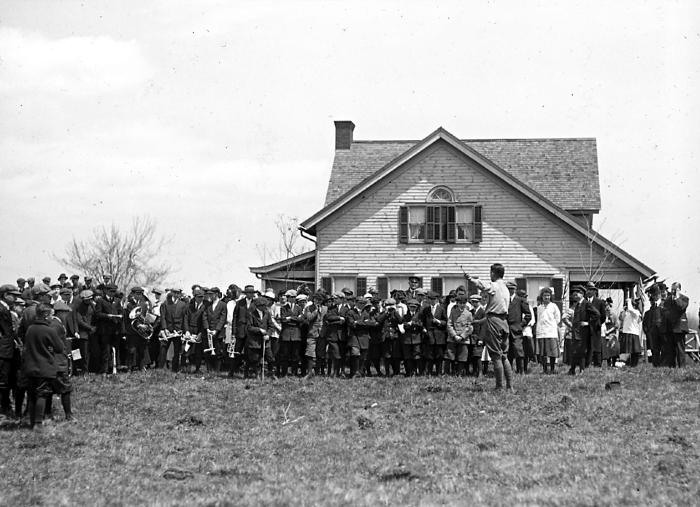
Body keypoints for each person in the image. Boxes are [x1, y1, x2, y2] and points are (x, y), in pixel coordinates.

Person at [464, 264, 512, 390]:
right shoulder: (506, 288)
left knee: (496, 356)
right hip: (504, 321)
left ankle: (499, 387)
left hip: (494, 321)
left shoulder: (494, 286)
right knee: (504, 356)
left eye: (490, 273)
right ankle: (509, 386)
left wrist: (471, 279)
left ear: (493, 273)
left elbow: (482, 285)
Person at [22, 304, 64, 428]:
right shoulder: (49, 330)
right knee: (42, 394)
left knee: (32, 394)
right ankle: (38, 423)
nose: (53, 318)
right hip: (44, 366)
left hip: (30, 366)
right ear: (46, 315)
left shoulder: (30, 328)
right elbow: (59, 348)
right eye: (51, 315)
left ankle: (32, 421)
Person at [0, 284, 22, 419]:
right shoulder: (1, 309)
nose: (15, 298)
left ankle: (6, 405)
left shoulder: (5, 308)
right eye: (13, 295)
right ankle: (4, 407)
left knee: (7, 379)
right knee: (2, 380)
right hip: (3, 350)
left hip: (7, 349)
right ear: (5, 295)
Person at [94, 284, 123, 375]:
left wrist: (120, 316)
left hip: (115, 330)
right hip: (105, 330)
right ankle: (105, 370)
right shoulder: (101, 301)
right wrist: (107, 316)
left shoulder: (117, 301)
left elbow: (120, 311)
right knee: (106, 351)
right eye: (111, 291)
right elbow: (98, 314)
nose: (113, 293)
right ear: (106, 291)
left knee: (115, 350)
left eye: (114, 292)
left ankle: (113, 368)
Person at [570, 285, 599, 375]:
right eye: (574, 294)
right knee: (575, 351)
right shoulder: (578, 305)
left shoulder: (587, 304)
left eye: (577, 293)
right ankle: (572, 369)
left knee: (581, 351)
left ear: (582, 294)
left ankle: (581, 370)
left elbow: (597, 314)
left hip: (583, 332)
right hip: (576, 331)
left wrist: (588, 323)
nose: (575, 295)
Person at [159, 288, 189, 372]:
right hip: (167, 331)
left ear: (180, 294)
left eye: (178, 293)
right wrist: (164, 328)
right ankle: (162, 368)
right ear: (172, 293)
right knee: (163, 348)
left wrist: (185, 330)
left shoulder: (183, 305)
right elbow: (163, 317)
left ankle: (174, 369)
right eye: (174, 293)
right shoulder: (165, 304)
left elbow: (184, 318)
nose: (176, 295)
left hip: (178, 331)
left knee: (177, 350)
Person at [245, 297, 275, 378]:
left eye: (265, 305)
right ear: (258, 306)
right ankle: (257, 374)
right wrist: (259, 330)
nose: (265, 307)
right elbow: (249, 327)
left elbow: (271, 326)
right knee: (255, 359)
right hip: (255, 341)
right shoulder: (251, 314)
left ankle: (271, 374)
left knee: (270, 358)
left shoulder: (267, 313)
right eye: (263, 305)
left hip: (265, 340)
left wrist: (268, 334)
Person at [507, 282, 532, 374]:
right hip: (506, 328)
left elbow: (528, 315)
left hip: (516, 329)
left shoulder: (520, 300)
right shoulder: (504, 299)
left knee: (518, 350)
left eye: (512, 289)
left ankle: (521, 370)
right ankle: (508, 371)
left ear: (515, 289)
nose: (510, 291)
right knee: (507, 350)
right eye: (508, 289)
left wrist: (521, 325)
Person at [662, 282, 689, 367]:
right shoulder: (668, 300)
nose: (672, 291)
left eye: (675, 289)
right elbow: (665, 311)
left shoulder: (684, 299)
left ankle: (682, 368)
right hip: (670, 327)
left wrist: (677, 297)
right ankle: (671, 368)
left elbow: (681, 307)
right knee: (670, 350)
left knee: (680, 349)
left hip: (679, 328)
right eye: (672, 289)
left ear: (679, 289)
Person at [535, 287, 561, 374]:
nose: (546, 297)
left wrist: (552, 326)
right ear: (542, 297)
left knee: (552, 352)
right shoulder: (539, 308)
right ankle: (545, 369)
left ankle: (553, 369)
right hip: (542, 332)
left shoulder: (553, 306)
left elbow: (558, 319)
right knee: (543, 353)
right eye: (545, 296)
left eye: (548, 295)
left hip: (551, 332)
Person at [446, 294, 473, 377]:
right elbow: (449, 324)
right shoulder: (453, 312)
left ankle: (460, 373)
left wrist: (462, 336)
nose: (462, 305)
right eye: (460, 303)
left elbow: (470, 327)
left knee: (462, 357)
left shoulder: (468, 314)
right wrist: (454, 335)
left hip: (463, 339)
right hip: (453, 338)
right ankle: (452, 372)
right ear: (457, 303)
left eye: (463, 303)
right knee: (451, 356)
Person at [422, 290, 447, 376]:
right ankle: (429, 372)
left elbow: (446, 322)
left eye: (434, 299)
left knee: (439, 355)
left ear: (437, 300)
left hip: (439, 335)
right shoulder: (426, 310)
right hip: (429, 335)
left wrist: (438, 322)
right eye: (430, 299)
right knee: (429, 355)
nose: (432, 301)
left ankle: (439, 372)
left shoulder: (442, 309)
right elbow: (422, 322)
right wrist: (424, 329)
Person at [278, 289, 302, 377]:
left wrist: (290, 318)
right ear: (288, 298)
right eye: (291, 297)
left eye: (294, 297)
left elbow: (301, 319)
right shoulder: (283, 308)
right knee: (285, 355)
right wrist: (294, 318)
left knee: (295, 355)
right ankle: (284, 373)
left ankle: (294, 372)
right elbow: (283, 320)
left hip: (296, 334)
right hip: (286, 334)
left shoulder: (298, 308)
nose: (293, 299)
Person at [585, 282, 606, 367]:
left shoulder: (599, 302)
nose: (589, 292)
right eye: (588, 290)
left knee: (596, 346)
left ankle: (597, 364)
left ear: (594, 292)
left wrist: (597, 324)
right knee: (586, 346)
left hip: (595, 328)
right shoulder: (584, 301)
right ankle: (586, 364)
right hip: (585, 328)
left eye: (591, 290)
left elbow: (603, 316)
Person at [619, 298, 643, 366]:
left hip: (633, 333)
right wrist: (624, 309)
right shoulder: (627, 313)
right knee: (626, 350)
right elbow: (621, 318)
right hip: (626, 332)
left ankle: (633, 364)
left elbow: (630, 309)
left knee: (634, 351)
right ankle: (626, 363)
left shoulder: (636, 312)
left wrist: (629, 301)